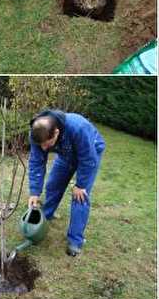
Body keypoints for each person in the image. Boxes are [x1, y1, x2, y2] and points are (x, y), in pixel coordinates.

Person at [27, 109, 105, 257]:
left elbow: (88, 160)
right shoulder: (36, 132)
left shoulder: (78, 127)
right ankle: (44, 218)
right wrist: (34, 192)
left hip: (90, 152)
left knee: (80, 196)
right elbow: (36, 162)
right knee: (53, 185)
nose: (44, 148)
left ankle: (75, 240)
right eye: (41, 145)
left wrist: (80, 184)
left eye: (47, 144)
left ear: (56, 132)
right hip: (66, 154)